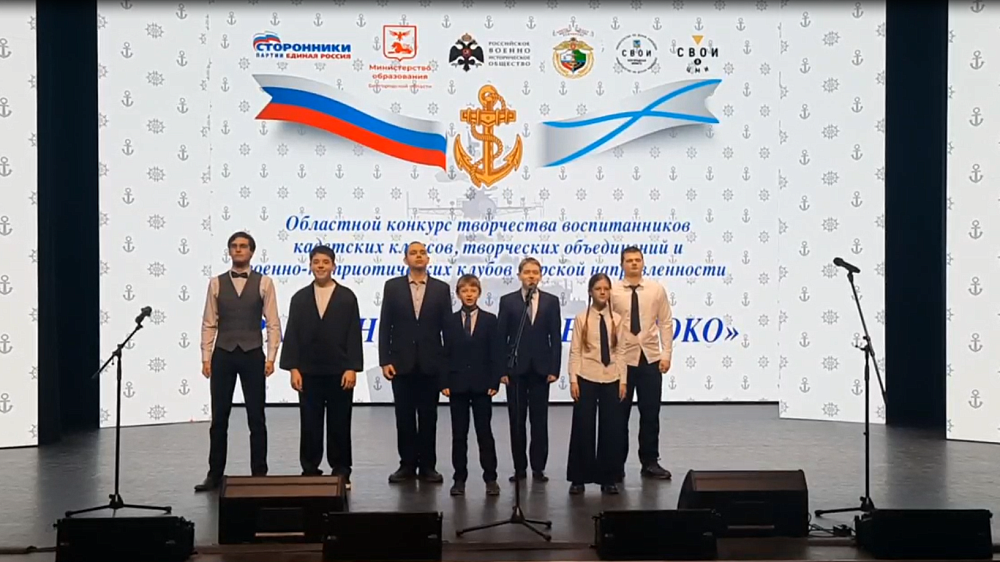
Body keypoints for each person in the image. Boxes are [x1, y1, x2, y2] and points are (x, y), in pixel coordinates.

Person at [196, 231, 282, 492]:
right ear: (229, 251)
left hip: (252, 353)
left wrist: (271, 357)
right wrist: (206, 357)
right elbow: (209, 322)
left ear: (251, 251)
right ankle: (214, 473)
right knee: (219, 418)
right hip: (223, 354)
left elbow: (273, 323)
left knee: (256, 417)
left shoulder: (264, 283)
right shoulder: (216, 283)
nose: (238, 250)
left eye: (243, 246)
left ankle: (259, 472)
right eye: (234, 246)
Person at [279, 246, 363, 486]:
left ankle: (341, 470)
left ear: (333, 265)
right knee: (309, 423)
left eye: (325, 262)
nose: (321, 266)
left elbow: (353, 334)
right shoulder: (299, 298)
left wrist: (352, 367)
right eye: (316, 262)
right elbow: (292, 334)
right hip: (308, 373)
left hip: (340, 372)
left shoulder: (347, 297)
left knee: (340, 423)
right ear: (310, 265)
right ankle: (309, 469)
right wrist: (294, 368)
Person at [378, 241, 451, 483]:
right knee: (404, 417)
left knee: (429, 417)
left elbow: (447, 329)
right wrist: (385, 359)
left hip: (431, 363)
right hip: (401, 362)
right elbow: (385, 325)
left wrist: (446, 365)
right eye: (413, 253)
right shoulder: (393, 286)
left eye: (422, 253)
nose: (418, 256)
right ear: (405, 259)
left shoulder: (441, 289)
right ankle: (407, 465)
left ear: (428, 259)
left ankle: (428, 466)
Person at [497, 257, 562, 482]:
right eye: (527, 272)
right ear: (519, 275)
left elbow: (555, 337)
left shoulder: (551, 301)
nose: (531, 276)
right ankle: (519, 468)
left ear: (540, 276)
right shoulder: (508, 301)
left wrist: (554, 368)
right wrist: (501, 370)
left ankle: (538, 467)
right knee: (517, 420)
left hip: (541, 370)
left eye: (535, 272)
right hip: (515, 370)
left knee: (539, 420)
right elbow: (501, 337)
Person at [612, 246, 673, 481]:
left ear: (643, 262)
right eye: (629, 260)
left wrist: (666, 354)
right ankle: (616, 464)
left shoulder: (656, 289)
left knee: (650, 413)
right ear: (622, 264)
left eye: (638, 260)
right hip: (622, 361)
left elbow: (665, 322)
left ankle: (650, 462)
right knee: (619, 415)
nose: (634, 263)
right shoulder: (613, 291)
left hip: (650, 358)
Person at [441, 274, 503, 497]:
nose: (469, 295)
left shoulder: (490, 320)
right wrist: (444, 381)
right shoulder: (449, 321)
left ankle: (491, 478)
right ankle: (459, 479)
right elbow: (444, 353)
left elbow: (495, 352)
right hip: (456, 385)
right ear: (458, 294)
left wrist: (494, 381)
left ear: (479, 293)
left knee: (484, 433)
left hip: (482, 385)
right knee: (459, 435)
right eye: (464, 291)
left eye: (473, 290)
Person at [567, 273, 628, 495]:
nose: (602, 292)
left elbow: (621, 352)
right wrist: (573, 379)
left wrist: (623, 380)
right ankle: (579, 478)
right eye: (598, 289)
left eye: (606, 289)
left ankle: (608, 478)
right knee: (583, 427)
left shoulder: (617, 320)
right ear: (590, 292)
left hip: (611, 377)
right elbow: (575, 351)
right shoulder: (581, 318)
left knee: (610, 428)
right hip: (587, 376)